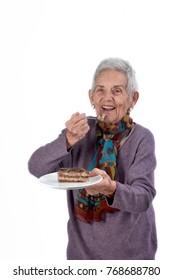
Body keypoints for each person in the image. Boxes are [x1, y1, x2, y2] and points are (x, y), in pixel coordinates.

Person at [28, 57, 157, 260]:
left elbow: (143, 198)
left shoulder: (142, 138)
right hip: (81, 258)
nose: (107, 98)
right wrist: (68, 139)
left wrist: (110, 188)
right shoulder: (79, 133)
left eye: (117, 91)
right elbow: (37, 167)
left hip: (132, 258)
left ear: (133, 98)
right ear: (91, 97)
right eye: (100, 90)